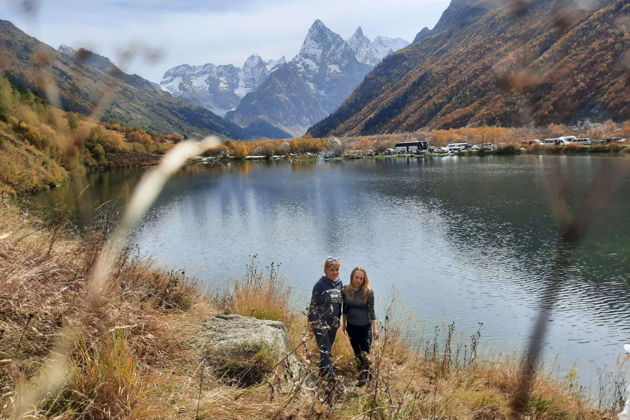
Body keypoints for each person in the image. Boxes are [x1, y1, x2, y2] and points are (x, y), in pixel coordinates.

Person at [342, 266, 378, 387]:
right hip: (352, 327)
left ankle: (368, 376)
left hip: (365, 327)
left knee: (365, 352)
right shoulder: (345, 290)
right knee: (357, 352)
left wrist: (375, 329)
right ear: (352, 277)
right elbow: (345, 309)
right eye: (356, 277)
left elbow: (372, 311)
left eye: (361, 278)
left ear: (364, 280)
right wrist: (343, 325)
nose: (358, 280)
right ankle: (363, 376)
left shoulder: (368, 292)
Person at [308, 257, 343, 380]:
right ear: (326, 270)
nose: (335, 272)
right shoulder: (320, 284)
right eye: (332, 270)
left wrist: (339, 320)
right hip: (320, 322)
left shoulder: (339, 283)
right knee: (325, 349)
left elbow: (339, 304)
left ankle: (322, 374)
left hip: (333, 323)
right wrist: (310, 321)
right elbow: (313, 304)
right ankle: (330, 378)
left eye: (337, 270)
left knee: (326, 350)